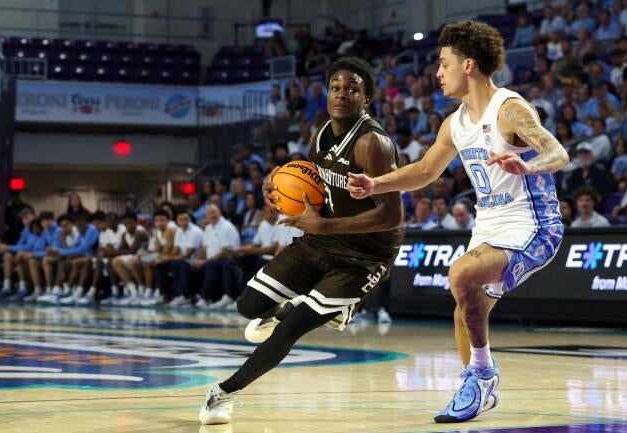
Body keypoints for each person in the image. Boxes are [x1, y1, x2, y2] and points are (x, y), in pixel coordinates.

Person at [347, 21, 568, 423]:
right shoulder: (455, 123)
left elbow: (558, 153)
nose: (437, 72)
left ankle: (482, 374)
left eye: (443, 63)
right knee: (466, 311)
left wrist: (530, 166)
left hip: (534, 225)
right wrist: (375, 182)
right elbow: (425, 170)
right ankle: (478, 386)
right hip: (489, 226)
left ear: (468, 65)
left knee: (461, 274)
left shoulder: (510, 109)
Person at [198, 56, 403, 425]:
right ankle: (312, 308)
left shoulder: (373, 144)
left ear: (367, 98)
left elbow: (392, 216)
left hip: (366, 255)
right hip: (319, 240)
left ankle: (223, 393)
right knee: (248, 305)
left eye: (352, 89)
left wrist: (325, 227)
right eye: (336, 88)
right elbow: (316, 188)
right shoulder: (320, 134)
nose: (342, 94)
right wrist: (277, 188)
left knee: (294, 327)